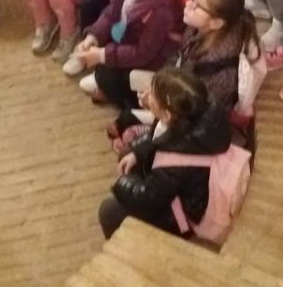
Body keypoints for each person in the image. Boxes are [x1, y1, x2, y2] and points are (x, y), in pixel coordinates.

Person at [97, 67, 231, 240]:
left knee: (109, 211)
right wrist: (137, 151)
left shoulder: (173, 162)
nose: (147, 94)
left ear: (167, 115)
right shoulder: (201, 109)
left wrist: (122, 182)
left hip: (180, 216)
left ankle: (133, 248)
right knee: (128, 155)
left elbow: (146, 200)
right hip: (188, 187)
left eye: (152, 94)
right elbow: (162, 135)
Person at [178, 0, 261, 114]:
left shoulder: (217, 71)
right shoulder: (202, 27)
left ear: (216, 23)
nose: (188, 4)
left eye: (197, 5)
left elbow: (199, 110)